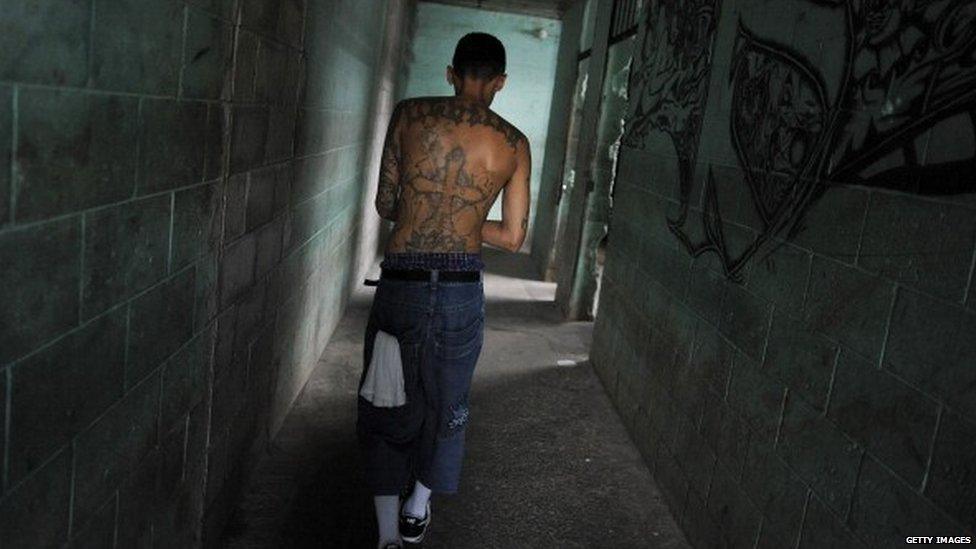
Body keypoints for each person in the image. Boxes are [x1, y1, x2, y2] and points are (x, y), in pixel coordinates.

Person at [356, 32, 531, 549]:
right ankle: (417, 509)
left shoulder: (410, 114)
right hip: (458, 288)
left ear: (451, 73)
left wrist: (428, 215)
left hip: (403, 280)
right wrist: (462, 221)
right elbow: (515, 237)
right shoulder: (514, 143)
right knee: (448, 403)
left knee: (386, 399)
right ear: (499, 82)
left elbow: (387, 203)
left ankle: (388, 537)